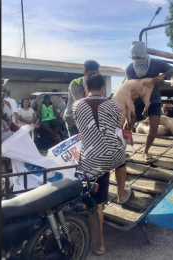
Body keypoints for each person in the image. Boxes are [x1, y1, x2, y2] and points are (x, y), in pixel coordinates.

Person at [73, 73, 132, 255]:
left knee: (96, 203)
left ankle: (99, 246)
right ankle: (122, 194)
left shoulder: (77, 105)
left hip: (92, 159)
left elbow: (80, 128)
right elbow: (117, 127)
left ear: (85, 89)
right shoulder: (112, 104)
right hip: (114, 155)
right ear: (103, 88)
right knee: (121, 161)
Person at [125, 41, 173, 163]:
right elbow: (129, 85)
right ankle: (121, 149)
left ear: (144, 55)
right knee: (128, 124)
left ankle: (146, 151)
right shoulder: (130, 69)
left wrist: (162, 76)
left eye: (138, 57)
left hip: (153, 100)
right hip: (137, 101)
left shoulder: (155, 63)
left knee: (154, 125)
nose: (136, 60)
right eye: (133, 57)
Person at [64, 60, 100, 137]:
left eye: (97, 73)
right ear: (85, 72)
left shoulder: (97, 83)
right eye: (92, 74)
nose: (95, 76)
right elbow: (81, 104)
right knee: (77, 145)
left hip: (89, 120)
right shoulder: (75, 84)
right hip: (73, 119)